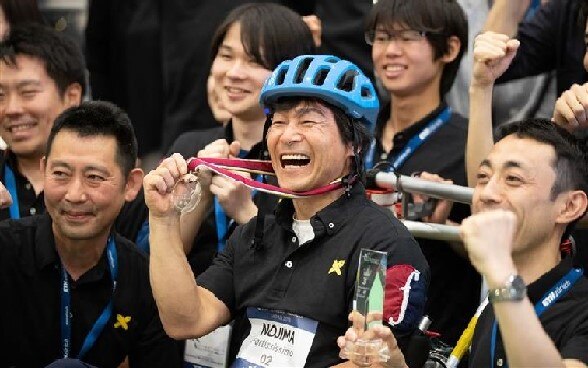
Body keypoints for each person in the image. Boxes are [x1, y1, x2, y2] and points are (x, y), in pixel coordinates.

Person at [145, 54, 430, 367]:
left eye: (308, 121)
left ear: (355, 145)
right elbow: (185, 320)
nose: (288, 135)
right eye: (278, 122)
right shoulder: (256, 233)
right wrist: (163, 219)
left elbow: (369, 360)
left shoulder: (379, 246)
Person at [339, 118, 588, 367]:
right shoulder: (494, 306)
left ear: (569, 206)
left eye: (513, 179)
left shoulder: (577, 308)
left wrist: (500, 270)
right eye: (483, 177)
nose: (488, 194)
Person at [0, 101, 182, 367]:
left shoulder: (145, 281)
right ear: (44, 170)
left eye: (94, 177)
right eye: (60, 173)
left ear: (131, 184)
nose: (74, 195)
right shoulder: (5, 251)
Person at [167, 3, 315, 275]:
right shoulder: (188, 148)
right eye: (226, 56)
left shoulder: (307, 162)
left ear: (292, 73)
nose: (234, 73)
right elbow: (158, 264)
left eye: (254, 61)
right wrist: (197, 196)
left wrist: (246, 213)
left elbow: (311, 271)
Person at [363, 0, 478, 346]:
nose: (390, 51)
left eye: (408, 38)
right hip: (345, 331)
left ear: (450, 48)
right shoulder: (350, 134)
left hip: (430, 338)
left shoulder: (472, 144)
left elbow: (506, 247)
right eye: (381, 38)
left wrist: (445, 228)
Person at [0, 23, 149, 244]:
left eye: (27, 92)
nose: (12, 108)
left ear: (72, 96)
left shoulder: (121, 186)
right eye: (0, 95)